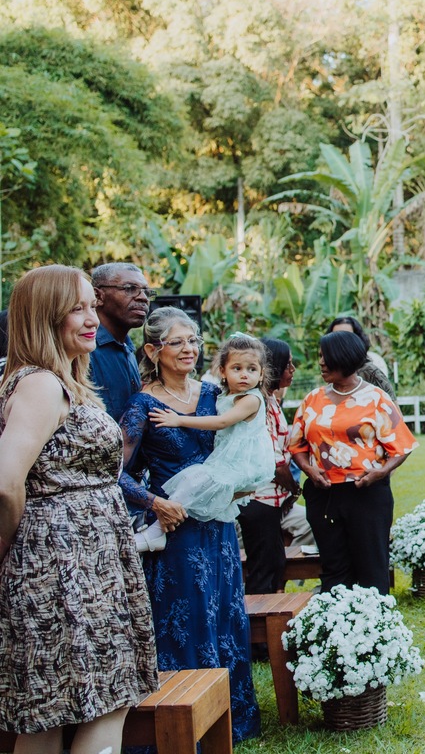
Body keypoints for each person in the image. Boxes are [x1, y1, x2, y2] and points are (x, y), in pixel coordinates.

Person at [0, 265, 157, 752]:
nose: (92, 318)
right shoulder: (41, 385)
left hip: (91, 562)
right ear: (45, 316)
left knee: (65, 707)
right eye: (77, 308)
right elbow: (6, 482)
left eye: (93, 305)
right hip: (63, 566)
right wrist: (8, 547)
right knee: (84, 704)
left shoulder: (62, 380)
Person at [120, 306, 260, 742]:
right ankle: (180, 727)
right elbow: (112, 471)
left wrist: (242, 485)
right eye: (177, 342)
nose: (189, 349)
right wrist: (154, 502)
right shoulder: (142, 403)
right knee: (186, 618)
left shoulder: (215, 395)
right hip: (174, 531)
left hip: (217, 527)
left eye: (194, 340)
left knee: (224, 614)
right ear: (152, 349)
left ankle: (231, 721)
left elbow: (241, 445)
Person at [287, 330, 416, 593]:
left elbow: (402, 447)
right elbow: (296, 445)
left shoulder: (376, 399)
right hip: (324, 495)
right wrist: (309, 470)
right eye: (320, 356)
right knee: (334, 566)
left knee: (371, 566)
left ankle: (374, 625)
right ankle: (338, 625)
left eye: (326, 357)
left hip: (366, 493)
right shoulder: (313, 399)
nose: (321, 362)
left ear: (344, 358)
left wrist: (380, 473)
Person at [134, 335, 275, 550]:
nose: (245, 374)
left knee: (196, 483)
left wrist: (179, 419)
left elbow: (222, 421)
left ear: (262, 374)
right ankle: (160, 529)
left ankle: (155, 532)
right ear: (223, 372)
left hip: (244, 462)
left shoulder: (251, 399)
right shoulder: (222, 395)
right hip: (230, 457)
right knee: (193, 486)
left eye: (252, 369)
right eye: (237, 368)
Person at [238, 338, 307, 594]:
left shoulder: (272, 400)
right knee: (263, 571)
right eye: (288, 364)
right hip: (259, 500)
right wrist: (294, 488)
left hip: (271, 501)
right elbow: (274, 461)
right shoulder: (260, 404)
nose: (293, 370)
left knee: (275, 564)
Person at [90, 262, 155, 421]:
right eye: (129, 289)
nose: (143, 298)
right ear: (98, 296)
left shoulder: (128, 350)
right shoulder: (85, 350)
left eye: (146, 292)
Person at [327, 316, 395, 398]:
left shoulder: (370, 371)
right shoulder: (331, 371)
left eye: (347, 337)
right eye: (335, 337)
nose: (341, 342)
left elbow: (393, 408)